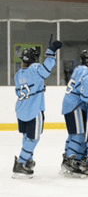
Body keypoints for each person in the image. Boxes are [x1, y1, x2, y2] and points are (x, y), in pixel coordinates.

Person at [13, 37, 62, 177]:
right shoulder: (35, 68)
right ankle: (21, 163)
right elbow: (46, 71)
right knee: (34, 138)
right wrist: (51, 52)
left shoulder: (18, 75)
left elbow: (18, 91)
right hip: (34, 110)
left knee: (26, 136)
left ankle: (28, 160)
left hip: (21, 109)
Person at [61, 50, 88, 175]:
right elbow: (82, 88)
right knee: (79, 134)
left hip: (70, 104)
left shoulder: (78, 68)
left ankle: (71, 159)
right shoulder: (86, 71)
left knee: (74, 134)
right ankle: (70, 159)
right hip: (76, 105)